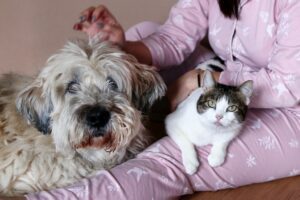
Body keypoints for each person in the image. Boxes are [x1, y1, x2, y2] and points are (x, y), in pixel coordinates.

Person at [5, 0, 300, 199]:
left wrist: (200, 80)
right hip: (229, 78)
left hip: (288, 105)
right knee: (145, 31)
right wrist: (120, 47)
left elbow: (288, 83)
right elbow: (174, 37)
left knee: (170, 159)